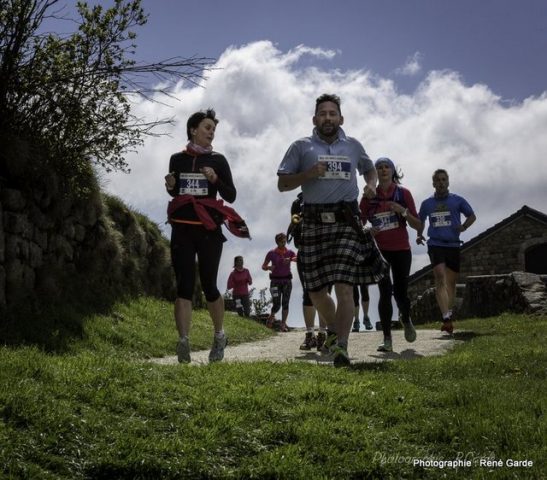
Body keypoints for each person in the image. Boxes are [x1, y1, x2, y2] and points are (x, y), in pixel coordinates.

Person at [277, 93, 387, 367]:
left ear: (341, 118)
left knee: (344, 287)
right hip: (313, 221)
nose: (328, 118)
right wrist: (308, 174)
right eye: (322, 113)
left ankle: (342, 347)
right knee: (314, 290)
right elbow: (283, 184)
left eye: (332, 113)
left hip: (346, 220)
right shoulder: (300, 147)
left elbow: (369, 169)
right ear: (315, 119)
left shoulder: (353, 145)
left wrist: (371, 184)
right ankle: (335, 332)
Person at [165, 108, 248, 364]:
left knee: (210, 285)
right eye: (207, 127)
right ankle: (183, 343)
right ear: (193, 129)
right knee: (184, 286)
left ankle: (219, 335)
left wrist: (215, 179)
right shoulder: (176, 159)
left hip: (208, 230)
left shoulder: (219, 160)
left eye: (213, 129)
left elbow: (231, 195)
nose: (211, 133)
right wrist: (170, 185)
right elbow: (175, 192)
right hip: (182, 227)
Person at [360, 157, 422, 352]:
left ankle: (405, 317)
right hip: (380, 251)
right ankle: (387, 339)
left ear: (393, 170)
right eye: (379, 167)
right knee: (385, 291)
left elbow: (418, 225)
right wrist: (368, 229)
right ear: (375, 173)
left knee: (401, 293)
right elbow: (359, 223)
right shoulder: (369, 196)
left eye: (387, 167)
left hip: (402, 249)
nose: (383, 170)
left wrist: (402, 211)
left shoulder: (403, 193)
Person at [417, 169, 476, 334]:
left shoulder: (457, 201)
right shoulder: (427, 203)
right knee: (440, 277)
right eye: (438, 180)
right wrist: (419, 234)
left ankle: (448, 314)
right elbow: (420, 221)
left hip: (453, 244)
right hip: (435, 244)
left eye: (444, 180)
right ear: (433, 183)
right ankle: (445, 317)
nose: (441, 183)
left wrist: (464, 227)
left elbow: (472, 216)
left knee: (451, 282)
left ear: (448, 182)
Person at [287, 193, 328, 351]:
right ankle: (310, 335)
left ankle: (323, 335)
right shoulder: (298, 203)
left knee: (325, 292)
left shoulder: (328, 195)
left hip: (326, 249)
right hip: (304, 249)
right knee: (307, 292)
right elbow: (294, 224)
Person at [262, 232, 297, 332]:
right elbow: (263, 266)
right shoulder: (271, 253)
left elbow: (297, 258)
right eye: (282, 241)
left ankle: (282, 325)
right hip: (275, 282)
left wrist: (290, 259)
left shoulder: (289, 252)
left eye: (285, 241)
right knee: (276, 304)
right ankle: (271, 318)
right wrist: (268, 267)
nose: (284, 243)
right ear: (277, 242)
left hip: (287, 281)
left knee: (285, 303)